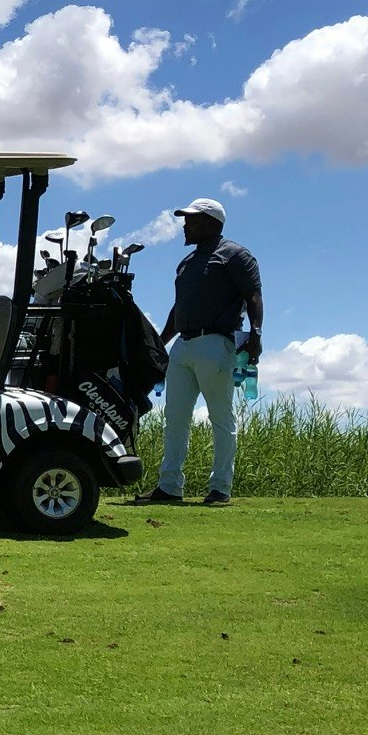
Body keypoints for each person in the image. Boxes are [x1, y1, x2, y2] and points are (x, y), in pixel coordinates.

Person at [134, 198, 263, 507]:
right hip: (183, 345)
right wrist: (160, 344)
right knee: (174, 417)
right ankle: (169, 486)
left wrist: (256, 334)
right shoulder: (188, 262)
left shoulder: (235, 255)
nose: (185, 225)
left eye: (191, 220)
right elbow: (179, 308)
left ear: (210, 222)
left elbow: (253, 295)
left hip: (216, 342)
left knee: (221, 417)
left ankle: (220, 488)